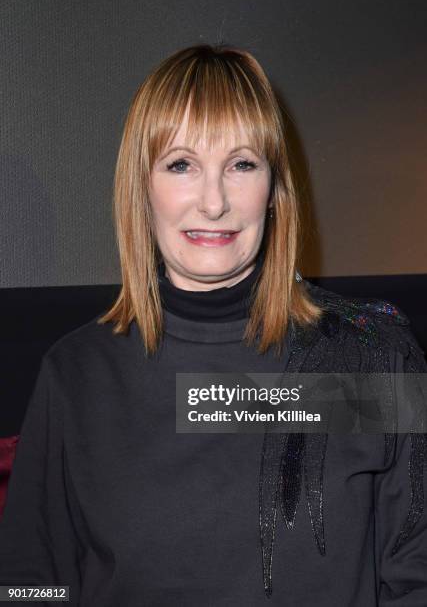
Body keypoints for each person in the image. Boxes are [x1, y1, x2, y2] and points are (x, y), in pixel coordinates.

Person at [0, 43, 426, 606]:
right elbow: (32, 583)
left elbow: (415, 571)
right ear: (141, 189)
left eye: (242, 164)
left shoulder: (371, 357)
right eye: (181, 164)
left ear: (275, 190)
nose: (214, 202)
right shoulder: (78, 374)